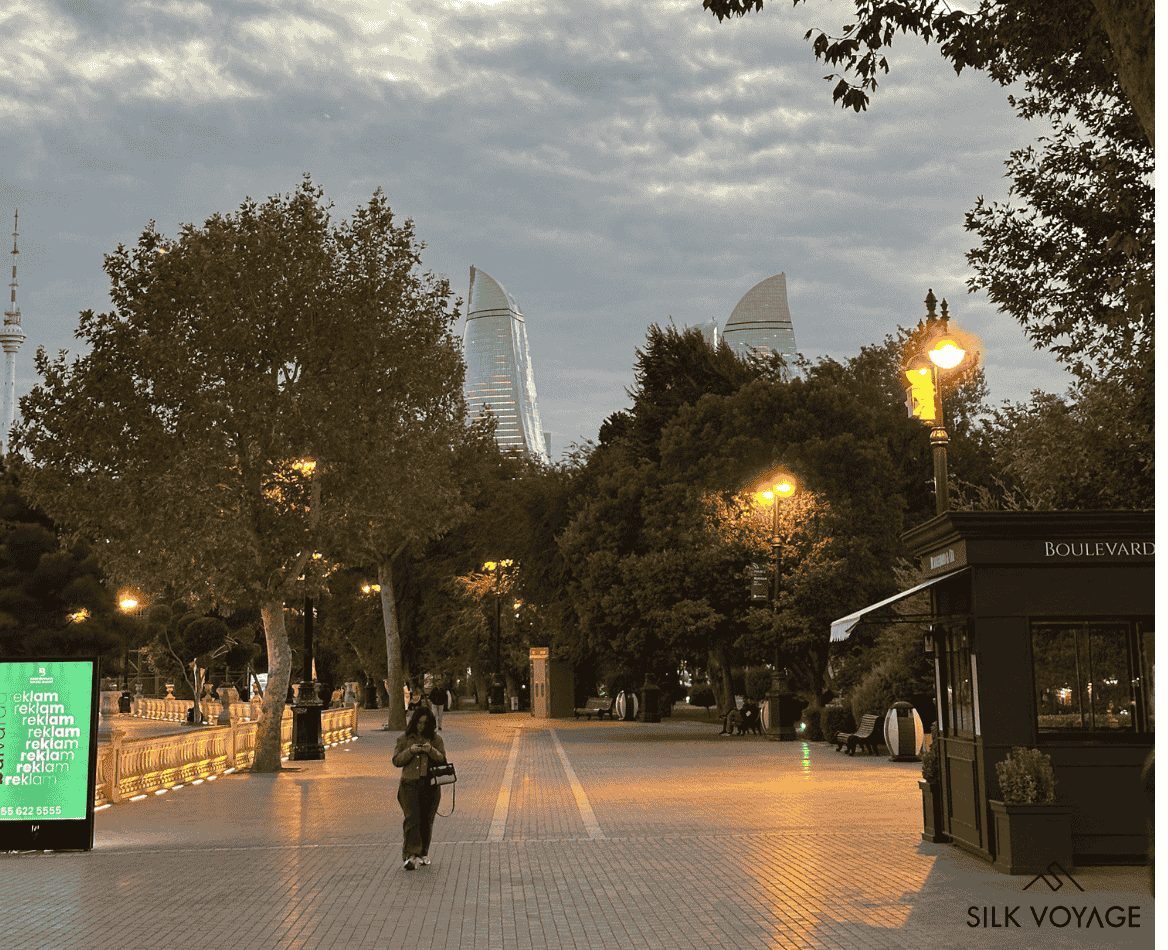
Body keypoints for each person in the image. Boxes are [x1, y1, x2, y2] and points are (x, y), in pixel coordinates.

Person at [392, 706, 446, 870]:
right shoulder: (404, 739)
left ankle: (423, 853)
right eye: (419, 723)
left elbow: (442, 759)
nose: (422, 726)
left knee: (426, 820)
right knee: (412, 819)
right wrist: (410, 751)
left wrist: (431, 751)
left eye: (425, 723)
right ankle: (410, 855)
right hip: (409, 784)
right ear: (414, 722)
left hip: (430, 785)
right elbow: (396, 760)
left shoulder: (435, 739)